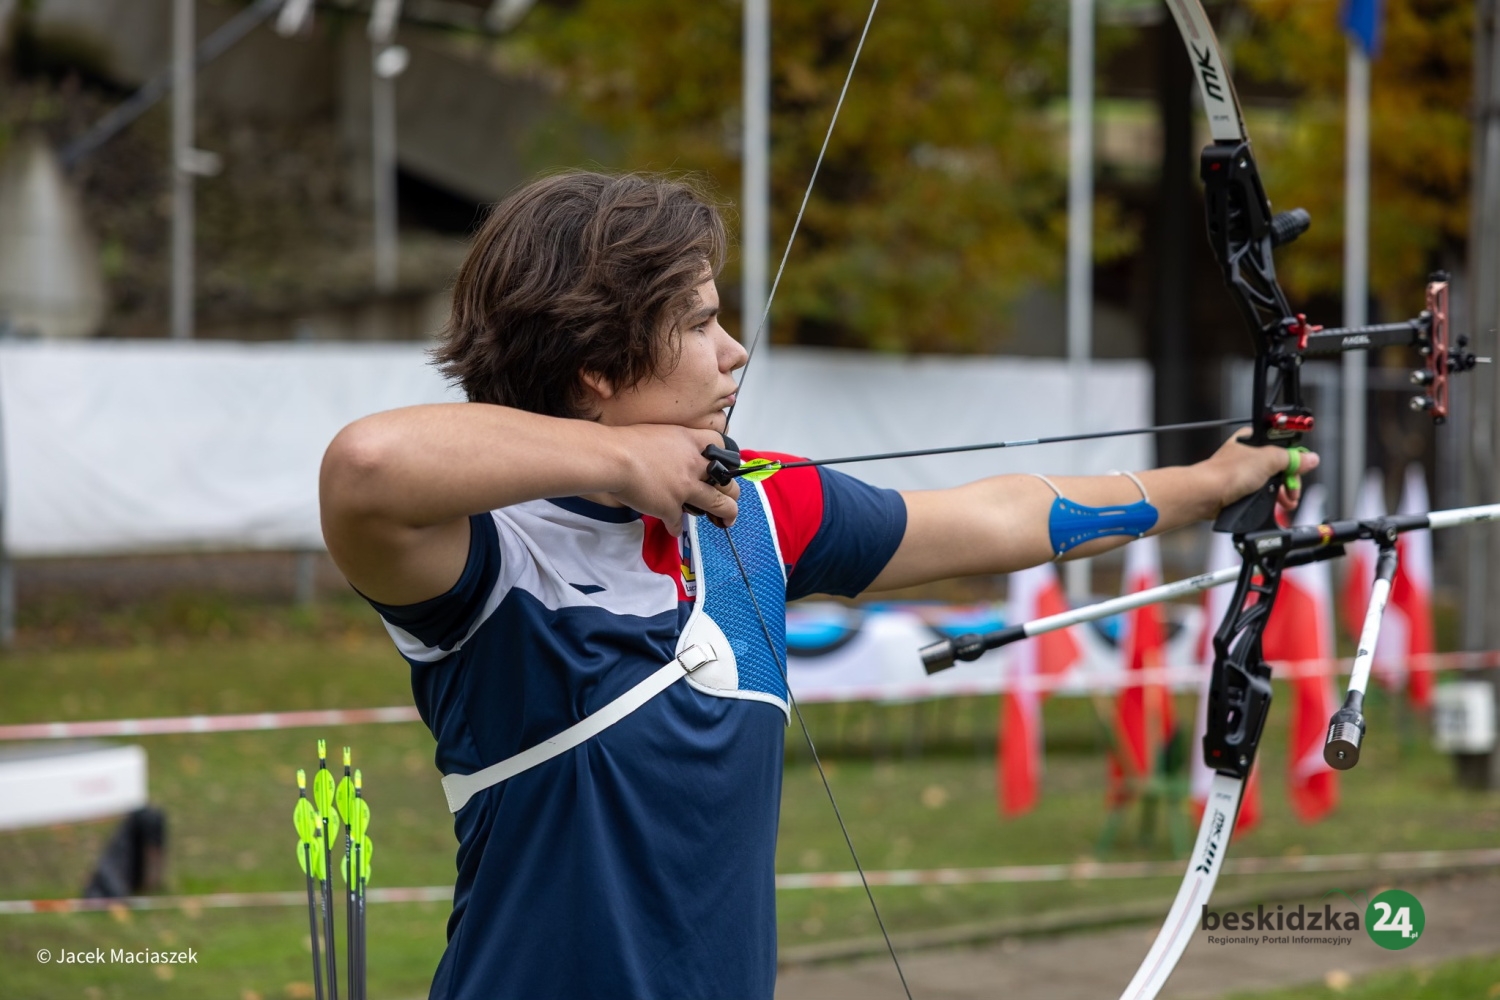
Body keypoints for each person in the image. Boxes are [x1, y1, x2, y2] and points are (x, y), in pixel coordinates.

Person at [318, 171, 1316, 1000]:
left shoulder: (753, 511)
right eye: (700, 324)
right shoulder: (491, 564)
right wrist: (624, 466)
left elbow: (994, 518)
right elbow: (366, 466)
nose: (734, 351)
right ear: (597, 367)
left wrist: (1211, 483)